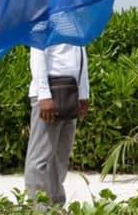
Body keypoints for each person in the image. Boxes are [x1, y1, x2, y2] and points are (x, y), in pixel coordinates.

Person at [25, 44, 90, 205]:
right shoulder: (42, 25)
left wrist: (83, 93)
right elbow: (37, 55)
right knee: (40, 158)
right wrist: (44, 95)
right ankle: (38, 208)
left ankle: (56, 204)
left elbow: (81, 55)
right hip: (49, 93)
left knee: (61, 156)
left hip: (71, 91)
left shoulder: (76, 28)